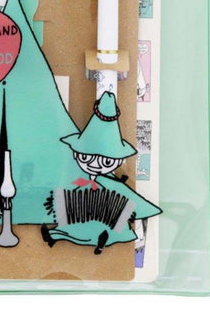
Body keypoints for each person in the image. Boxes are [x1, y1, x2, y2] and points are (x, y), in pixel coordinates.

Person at [41, 91, 162, 254]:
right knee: (71, 216)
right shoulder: (76, 181)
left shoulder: (115, 186)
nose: (93, 165)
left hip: (109, 228)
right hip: (80, 223)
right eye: (85, 158)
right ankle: (59, 234)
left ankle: (100, 241)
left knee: (114, 221)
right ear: (76, 154)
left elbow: (134, 203)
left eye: (106, 162)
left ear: (118, 161)